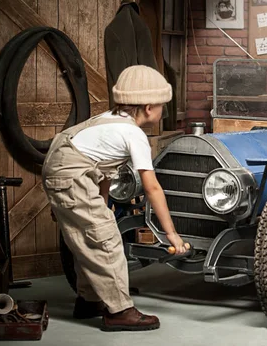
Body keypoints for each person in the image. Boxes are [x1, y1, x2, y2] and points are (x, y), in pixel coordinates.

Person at [42, 65, 188, 332]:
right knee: (106, 240)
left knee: (91, 235)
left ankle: (90, 300)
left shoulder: (110, 119)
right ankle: (120, 311)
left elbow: (103, 172)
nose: (162, 112)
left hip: (65, 166)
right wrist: (172, 235)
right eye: (161, 106)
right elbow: (152, 188)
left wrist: (105, 206)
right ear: (147, 108)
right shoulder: (134, 135)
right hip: (71, 174)